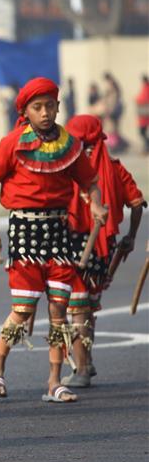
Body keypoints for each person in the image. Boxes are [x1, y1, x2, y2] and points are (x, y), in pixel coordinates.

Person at [0, 77, 107, 404]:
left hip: (58, 232)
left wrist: (94, 201)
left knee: (59, 310)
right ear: (25, 111)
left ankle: (53, 381)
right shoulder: (12, 143)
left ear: (59, 107)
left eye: (50, 105)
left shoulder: (70, 145)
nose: (45, 113)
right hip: (24, 230)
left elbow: (89, 182)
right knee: (22, 309)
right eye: (38, 107)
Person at [62, 114, 144, 387]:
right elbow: (136, 202)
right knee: (88, 305)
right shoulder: (115, 168)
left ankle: (82, 368)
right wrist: (130, 236)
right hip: (103, 247)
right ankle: (87, 360)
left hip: (73, 244)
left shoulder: (68, 167)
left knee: (77, 306)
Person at [136, 74, 149, 155]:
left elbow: (144, 99)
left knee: (142, 131)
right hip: (143, 115)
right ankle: (146, 147)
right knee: (142, 132)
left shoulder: (146, 88)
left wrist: (137, 99)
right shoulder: (145, 88)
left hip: (145, 115)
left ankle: (147, 147)